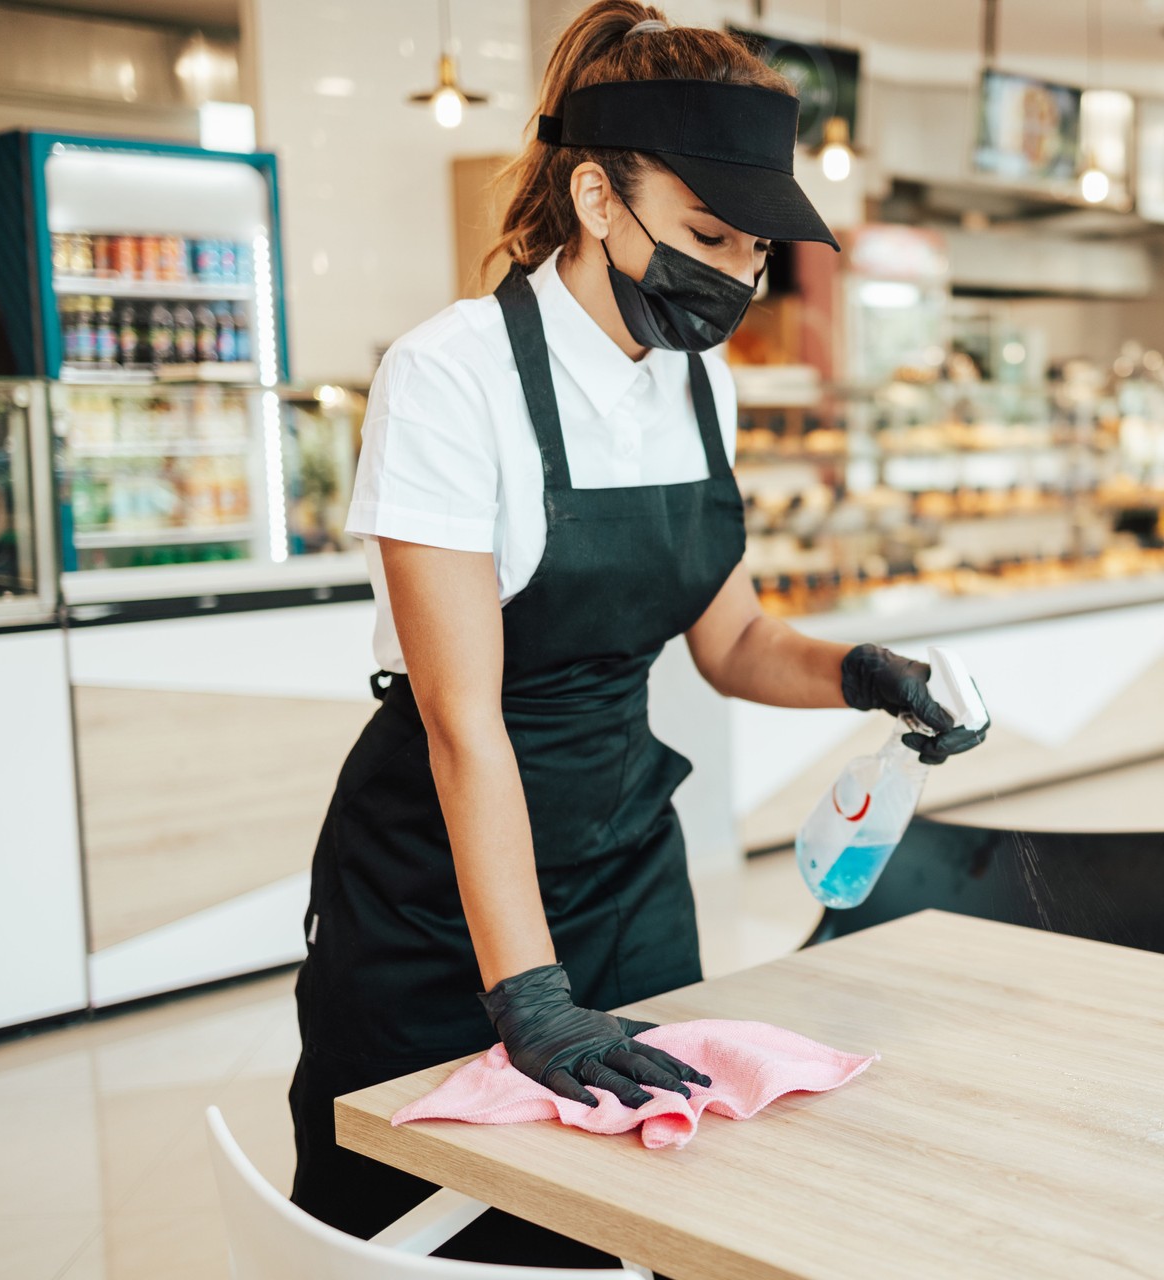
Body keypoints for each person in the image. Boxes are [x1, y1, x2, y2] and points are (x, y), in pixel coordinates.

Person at [287, 4, 988, 1264]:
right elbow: (464, 721)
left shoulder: (693, 378)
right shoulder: (452, 378)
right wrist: (529, 996)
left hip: (626, 867)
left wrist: (862, 674)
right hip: (445, 886)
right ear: (599, 196)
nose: (738, 276)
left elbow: (729, 642)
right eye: (708, 235)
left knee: (660, 1209)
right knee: (430, 1219)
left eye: (757, 248)